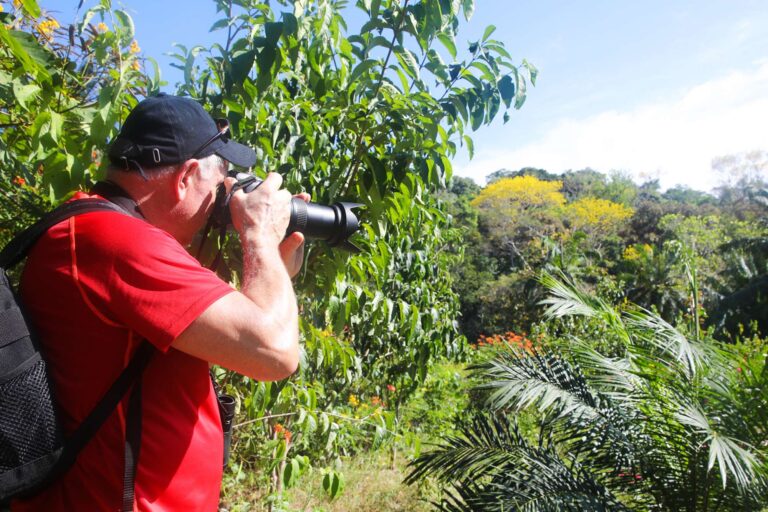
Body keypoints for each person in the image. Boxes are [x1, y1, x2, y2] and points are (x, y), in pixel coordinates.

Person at [12, 94, 305, 511]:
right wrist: (258, 233)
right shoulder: (116, 241)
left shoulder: (94, 228)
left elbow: (238, 327)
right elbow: (274, 354)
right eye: (221, 178)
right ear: (186, 176)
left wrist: (273, 270)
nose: (222, 199)